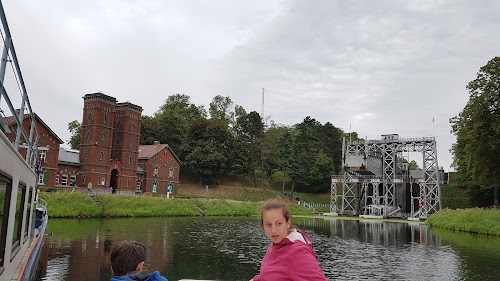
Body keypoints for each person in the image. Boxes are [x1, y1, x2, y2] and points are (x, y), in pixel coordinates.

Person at [251, 200, 328, 281]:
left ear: (288, 223)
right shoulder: (276, 244)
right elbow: (270, 273)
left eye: (278, 224)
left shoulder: (298, 252)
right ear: (263, 225)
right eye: (268, 225)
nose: (273, 230)